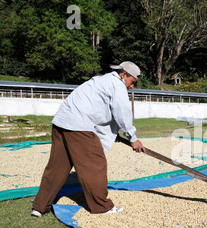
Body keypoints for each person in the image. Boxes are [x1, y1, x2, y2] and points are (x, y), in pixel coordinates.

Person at [31, 61, 145, 217]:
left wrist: (112, 134)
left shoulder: (99, 80)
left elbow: (96, 111)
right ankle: (101, 207)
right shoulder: (117, 85)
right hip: (78, 125)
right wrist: (133, 138)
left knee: (57, 167)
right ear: (123, 75)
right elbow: (122, 113)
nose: (132, 87)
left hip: (61, 122)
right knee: (95, 164)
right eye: (132, 82)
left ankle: (39, 206)